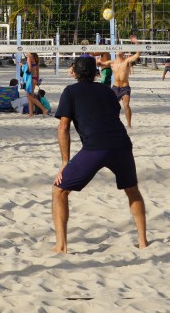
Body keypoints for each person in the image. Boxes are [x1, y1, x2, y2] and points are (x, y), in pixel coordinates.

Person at [52, 56, 148, 253]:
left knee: (59, 191)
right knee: (132, 190)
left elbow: (63, 128)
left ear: (75, 72)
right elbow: (113, 114)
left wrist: (65, 162)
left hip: (95, 147)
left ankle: (61, 246)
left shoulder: (70, 91)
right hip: (121, 144)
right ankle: (143, 242)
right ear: (95, 72)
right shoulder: (106, 90)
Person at [99, 42, 141, 128]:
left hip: (125, 87)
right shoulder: (112, 62)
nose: (119, 50)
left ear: (123, 52)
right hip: (115, 88)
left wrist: (136, 42)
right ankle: (115, 123)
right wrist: (97, 61)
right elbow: (99, 64)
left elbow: (138, 54)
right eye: (118, 49)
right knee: (114, 107)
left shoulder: (127, 61)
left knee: (126, 104)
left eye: (121, 49)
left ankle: (129, 124)